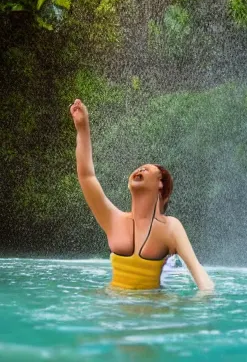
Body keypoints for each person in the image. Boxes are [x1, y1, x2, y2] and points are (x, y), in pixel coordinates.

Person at [69, 98, 214, 291]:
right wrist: (82, 128)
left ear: (160, 184)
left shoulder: (170, 228)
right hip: (112, 309)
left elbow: (198, 272)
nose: (140, 169)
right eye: (138, 169)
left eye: (147, 169)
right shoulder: (113, 219)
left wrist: (205, 300)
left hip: (151, 313)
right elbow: (87, 176)